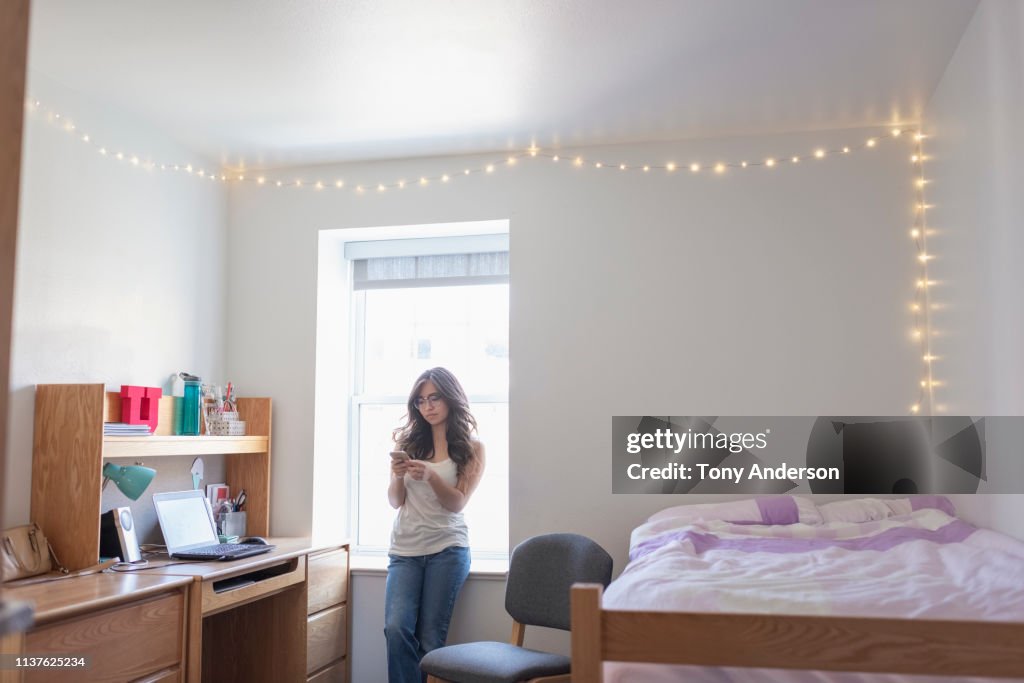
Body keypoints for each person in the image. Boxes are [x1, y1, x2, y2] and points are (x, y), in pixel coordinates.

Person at [384, 367, 486, 683]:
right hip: (405, 550)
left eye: (435, 398)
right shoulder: (408, 442)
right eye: (421, 401)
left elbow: (457, 503)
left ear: (451, 398)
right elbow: (395, 501)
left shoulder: (472, 447)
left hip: (448, 549)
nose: (427, 406)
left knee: (430, 638)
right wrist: (399, 474)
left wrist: (430, 476)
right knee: (396, 628)